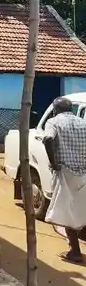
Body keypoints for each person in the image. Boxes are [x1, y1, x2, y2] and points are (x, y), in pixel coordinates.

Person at [43, 97, 86, 263]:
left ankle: (75, 252)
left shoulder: (54, 122)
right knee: (81, 210)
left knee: (67, 211)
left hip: (65, 173)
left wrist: (54, 164)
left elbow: (48, 139)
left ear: (55, 109)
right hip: (83, 173)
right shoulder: (83, 122)